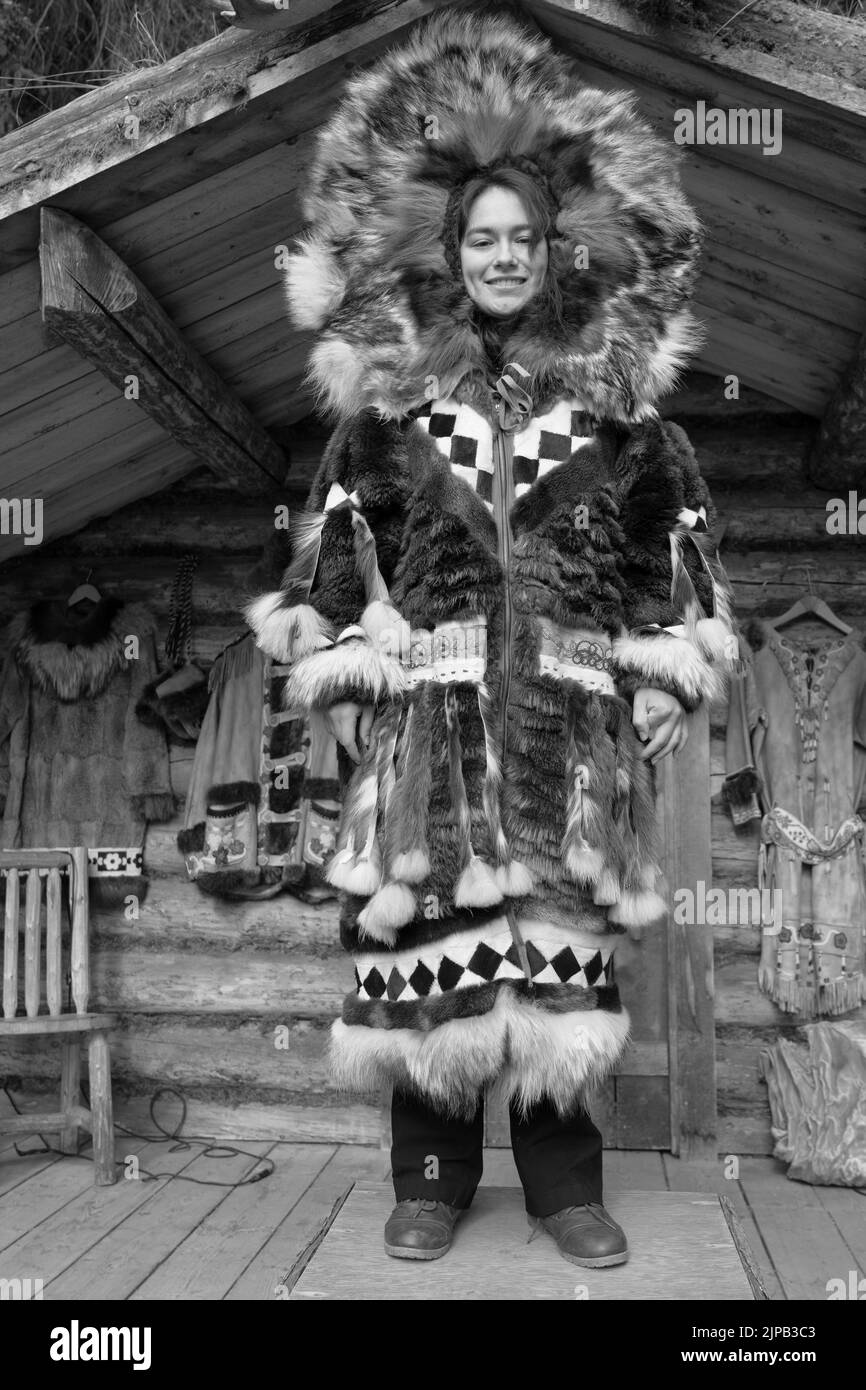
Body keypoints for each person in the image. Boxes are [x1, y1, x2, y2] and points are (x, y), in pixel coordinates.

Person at [247, 6, 736, 1268]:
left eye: (524, 236)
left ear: (557, 245)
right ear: (451, 252)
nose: (505, 256)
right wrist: (342, 664)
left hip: (571, 724)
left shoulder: (626, 420)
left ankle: (567, 1187)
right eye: (483, 238)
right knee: (422, 947)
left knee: (565, 948)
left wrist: (672, 668)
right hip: (429, 727)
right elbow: (336, 552)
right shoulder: (390, 415)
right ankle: (427, 1179)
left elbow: (672, 561)